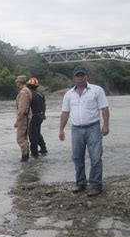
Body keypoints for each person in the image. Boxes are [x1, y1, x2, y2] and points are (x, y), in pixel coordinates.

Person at [59, 66, 110, 197]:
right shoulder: (69, 94)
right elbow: (65, 112)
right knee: (77, 157)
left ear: (86, 76)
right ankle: (81, 183)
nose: (80, 78)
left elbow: (104, 108)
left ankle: (96, 185)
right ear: (73, 78)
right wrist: (61, 129)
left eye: (82, 75)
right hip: (76, 129)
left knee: (96, 157)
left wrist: (106, 126)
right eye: (78, 76)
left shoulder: (97, 90)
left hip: (93, 127)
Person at [26, 77, 48, 157]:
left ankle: (34, 154)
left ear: (28, 85)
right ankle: (43, 149)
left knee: (32, 136)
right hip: (40, 116)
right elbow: (44, 105)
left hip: (33, 117)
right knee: (37, 134)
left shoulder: (29, 94)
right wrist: (44, 114)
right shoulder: (40, 94)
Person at [14, 75, 32, 162]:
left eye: (17, 82)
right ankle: (26, 156)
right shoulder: (26, 91)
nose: (16, 84)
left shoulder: (23, 92)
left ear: (19, 82)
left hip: (24, 118)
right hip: (26, 117)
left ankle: (24, 158)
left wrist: (18, 120)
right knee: (24, 138)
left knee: (20, 138)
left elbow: (22, 108)